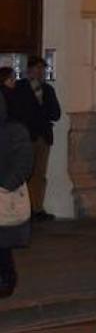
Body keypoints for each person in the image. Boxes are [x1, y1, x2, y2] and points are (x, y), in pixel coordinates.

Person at [10, 56, 61, 221]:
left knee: (40, 173)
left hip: (43, 137)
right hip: (26, 136)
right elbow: (17, 112)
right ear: (29, 70)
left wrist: (44, 109)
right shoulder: (20, 88)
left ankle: (37, 208)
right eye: (37, 68)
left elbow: (55, 113)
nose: (40, 72)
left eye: (42, 69)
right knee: (25, 173)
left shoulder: (47, 89)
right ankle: (23, 209)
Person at [0, 89, 34, 298]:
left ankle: (6, 279)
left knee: (2, 245)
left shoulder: (14, 131)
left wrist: (5, 185)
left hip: (3, 195)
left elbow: (24, 163)